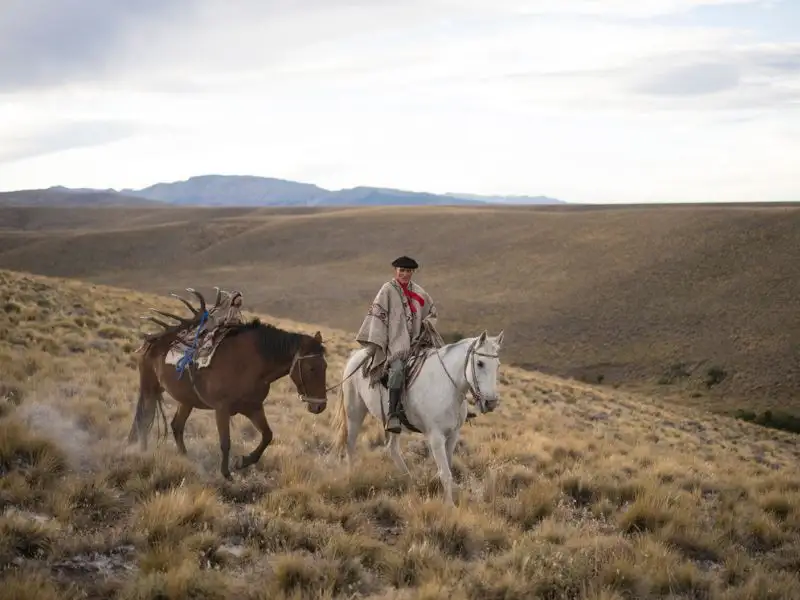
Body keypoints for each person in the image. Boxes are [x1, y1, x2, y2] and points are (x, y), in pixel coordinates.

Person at [356, 255, 444, 434]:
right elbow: (377, 316)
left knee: (442, 365)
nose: (405, 274)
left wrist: (427, 323)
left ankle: (450, 409)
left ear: (413, 272)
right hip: (395, 345)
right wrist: (377, 342)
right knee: (397, 370)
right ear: (395, 271)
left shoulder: (420, 293)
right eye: (401, 270)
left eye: (408, 271)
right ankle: (393, 414)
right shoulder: (387, 290)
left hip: (419, 344)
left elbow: (432, 312)